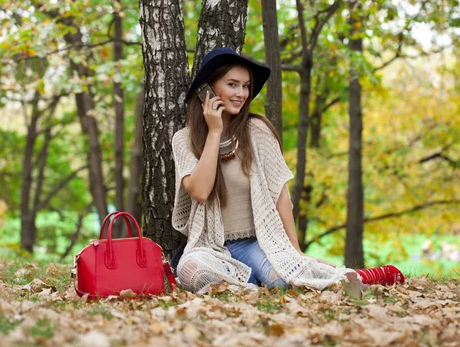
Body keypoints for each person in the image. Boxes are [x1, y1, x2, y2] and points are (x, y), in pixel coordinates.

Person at [170, 47, 404, 296]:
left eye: (246, 86)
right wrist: (214, 131)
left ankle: (366, 276)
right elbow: (200, 191)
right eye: (232, 84)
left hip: (256, 243)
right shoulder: (185, 139)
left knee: (285, 280)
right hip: (210, 248)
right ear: (208, 90)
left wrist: (295, 250)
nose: (241, 94)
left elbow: (281, 194)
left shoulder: (256, 130)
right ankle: (249, 287)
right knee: (191, 270)